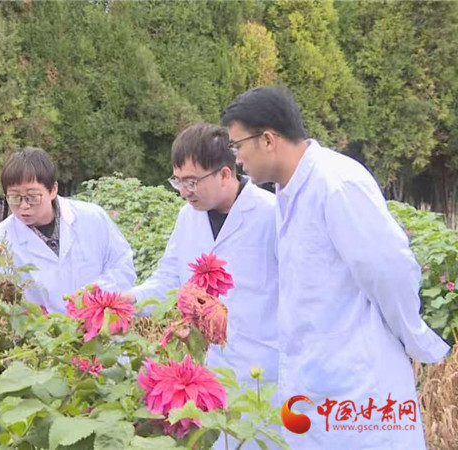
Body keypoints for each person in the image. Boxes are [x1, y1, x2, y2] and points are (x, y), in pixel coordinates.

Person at [221, 86, 450, 449]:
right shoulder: (288, 191)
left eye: (237, 146)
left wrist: (409, 333)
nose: (237, 160)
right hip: (318, 385)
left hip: (359, 384)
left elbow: (389, 271)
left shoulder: (336, 183)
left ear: (267, 139)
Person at [121, 123, 280, 410]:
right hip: (207, 367)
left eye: (192, 182)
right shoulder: (188, 217)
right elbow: (169, 278)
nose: (184, 192)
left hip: (262, 369)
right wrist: (128, 301)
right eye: (178, 181)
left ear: (225, 174)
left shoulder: (272, 214)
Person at [0, 147, 136, 326]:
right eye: (14, 198)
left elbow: (123, 267)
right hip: (44, 341)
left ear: (53, 189)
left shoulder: (92, 218)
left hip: (99, 332)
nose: (23, 206)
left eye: (32, 197)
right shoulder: (3, 238)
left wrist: (93, 294)